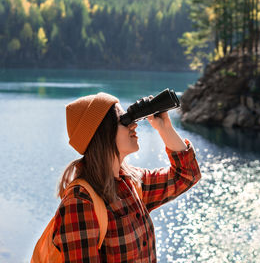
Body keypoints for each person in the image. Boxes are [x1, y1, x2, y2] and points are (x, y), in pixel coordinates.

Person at [52, 92, 201, 262]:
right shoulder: (80, 202)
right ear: (102, 133)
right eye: (123, 120)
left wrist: (164, 127)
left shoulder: (132, 182)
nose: (134, 125)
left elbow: (187, 175)